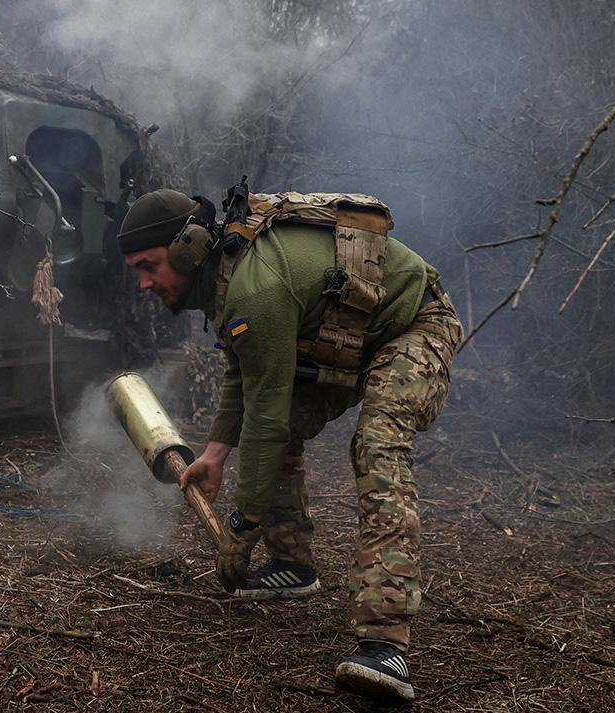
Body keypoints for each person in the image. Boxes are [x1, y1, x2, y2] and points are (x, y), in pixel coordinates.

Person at [118, 188, 461, 704]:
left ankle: (385, 643)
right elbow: (244, 369)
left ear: (188, 248)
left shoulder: (254, 288)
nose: (144, 283)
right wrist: (213, 453)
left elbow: (267, 416)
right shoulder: (227, 277)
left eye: (149, 265)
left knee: (377, 448)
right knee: (281, 431)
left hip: (415, 324)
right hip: (347, 339)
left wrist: (243, 526)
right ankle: (293, 564)